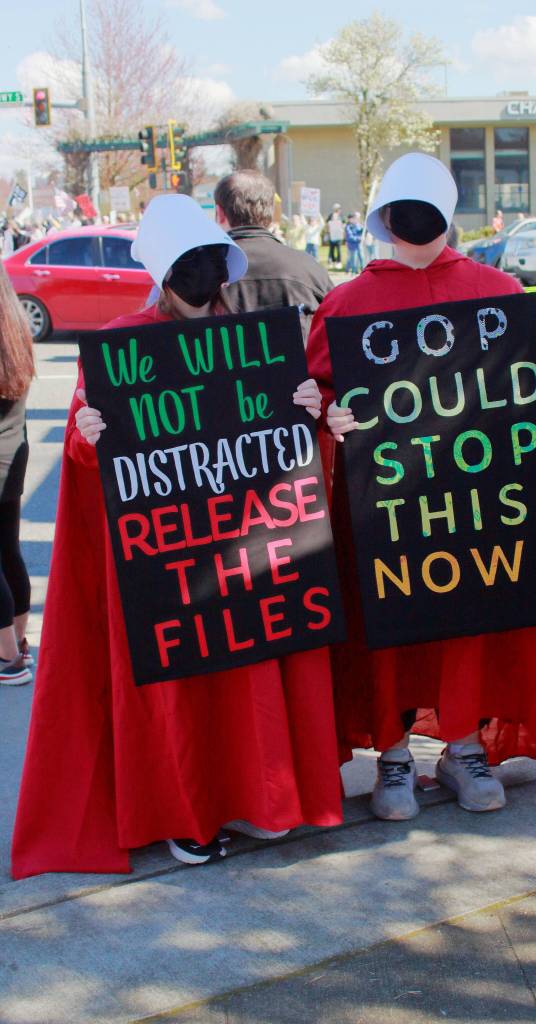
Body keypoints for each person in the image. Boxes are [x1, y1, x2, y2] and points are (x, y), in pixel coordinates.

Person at [12, 194, 343, 878]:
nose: (200, 275)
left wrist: (309, 408)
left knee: (249, 672)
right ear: (163, 273)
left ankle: (261, 796)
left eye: (207, 262)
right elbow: (87, 452)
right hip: (169, 561)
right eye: (186, 264)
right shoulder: (125, 343)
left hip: (249, 550)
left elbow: (293, 443)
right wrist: (86, 435)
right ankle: (189, 812)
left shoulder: (254, 342)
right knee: (183, 690)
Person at [307, 152, 536, 823]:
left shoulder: (500, 294)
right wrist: (325, 414)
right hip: (381, 508)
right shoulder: (345, 304)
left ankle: (463, 745)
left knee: (469, 617)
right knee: (386, 625)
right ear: (386, 219)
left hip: (473, 502)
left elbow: (526, 391)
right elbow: (315, 396)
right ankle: (391, 754)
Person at [214, 170, 333, 336]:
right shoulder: (308, 268)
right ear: (270, 213)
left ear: (218, 213)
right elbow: (338, 331)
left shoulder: (201, 274)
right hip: (301, 361)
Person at [0, 262, 34, 686]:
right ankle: (21, 643)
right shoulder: (15, 328)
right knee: (8, 549)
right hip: (14, 452)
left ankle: (8, 658)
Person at [326, 203, 344, 269]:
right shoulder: (331, 215)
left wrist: (342, 229)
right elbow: (328, 223)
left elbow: (343, 224)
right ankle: (332, 261)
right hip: (332, 235)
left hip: (338, 236)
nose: (337, 210)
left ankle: (338, 262)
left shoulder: (341, 216)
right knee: (331, 249)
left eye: (338, 208)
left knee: (338, 249)